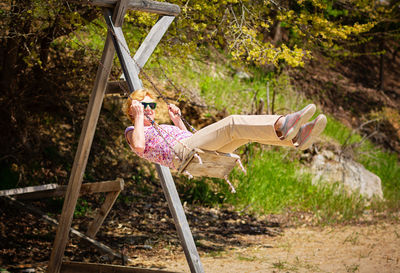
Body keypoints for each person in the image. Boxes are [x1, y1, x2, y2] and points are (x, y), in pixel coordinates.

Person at [123, 89, 327, 170]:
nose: (150, 110)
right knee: (232, 123)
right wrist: (139, 117)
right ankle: (282, 123)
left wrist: (177, 122)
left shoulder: (160, 127)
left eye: (152, 106)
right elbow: (139, 147)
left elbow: (191, 139)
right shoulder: (133, 130)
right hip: (180, 154)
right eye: (145, 106)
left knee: (246, 134)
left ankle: (296, 138)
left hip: (192, 150)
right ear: (134, 110)